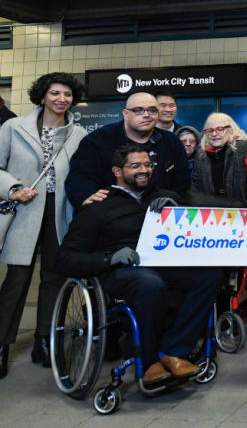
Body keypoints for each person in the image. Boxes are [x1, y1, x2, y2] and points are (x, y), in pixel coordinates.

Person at [56, 144, 220, 386]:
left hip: (161, 266)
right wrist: (110, 258)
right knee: (149, 284)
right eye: (135, 166)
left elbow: (188, 222)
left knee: (208, 275)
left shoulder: (162, 198)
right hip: (119, 272)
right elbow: (65, 259)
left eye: (147, 165)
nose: (144, 170)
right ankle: (149, 361)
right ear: (117, 171)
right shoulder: (98, 208)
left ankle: (174, 351)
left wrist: (174, 208)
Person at [0, 73, 87, 379]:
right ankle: (1, 344)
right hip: (24, 210)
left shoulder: (79, 134)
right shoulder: (14, 127)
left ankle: (45, 340)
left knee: (54, 277)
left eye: (67, 94)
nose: (62, 99)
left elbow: (82, 174)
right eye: (55, 93)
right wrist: (12, 188)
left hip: (60, 211)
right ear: (43, 95)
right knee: (16, 279)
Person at [65, 92, 190, 209]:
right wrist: (85, 196)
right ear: (125, 113)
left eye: (152, 110)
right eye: (138, 110)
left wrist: (172, 202)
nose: (146, 115)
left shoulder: (171, 141)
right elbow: (81, 175)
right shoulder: (98, 140)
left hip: (158, 213)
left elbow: (182, 180)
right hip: (111, 214)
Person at [191, 113, 247, 207]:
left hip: (243, 211)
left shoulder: (243, 149)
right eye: (210, 131)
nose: (214, 134)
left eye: (219, 129)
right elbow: (196, 186)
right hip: (212, 211)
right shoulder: (201, 155)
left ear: (231, 130)